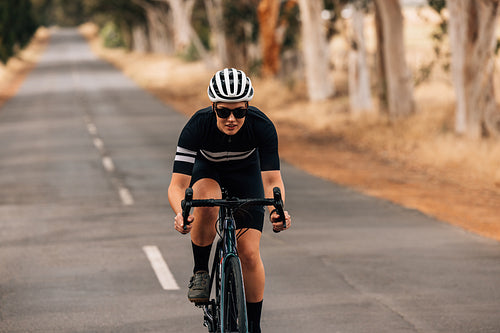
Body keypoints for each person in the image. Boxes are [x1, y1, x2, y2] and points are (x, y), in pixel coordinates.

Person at [168, 68, 291, 333]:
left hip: (245, 176)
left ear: (248, 107)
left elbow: (271, 181)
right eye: (224, 112)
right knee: (207, 198)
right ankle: (201, 270)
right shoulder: (196, 126)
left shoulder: (262, 126)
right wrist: (181, 212)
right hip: (207, 172)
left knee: (248, 252)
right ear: (213, 107)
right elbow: (177, 185)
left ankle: (254, 327)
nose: (232, 119)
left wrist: (277, 210)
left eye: (239, 112)